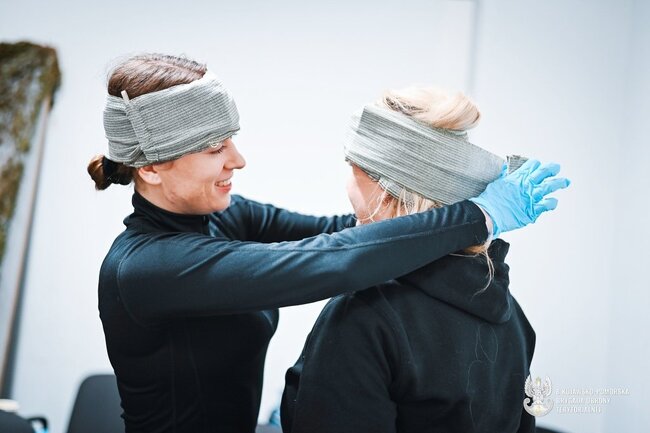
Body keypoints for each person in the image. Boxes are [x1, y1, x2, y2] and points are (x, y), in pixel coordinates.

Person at [89, 54, 568, 433]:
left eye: (231, 138)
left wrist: (455, 189)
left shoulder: (225, 218)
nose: (238, 159)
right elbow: (333, 261)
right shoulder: (146, 269)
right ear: (150, 168)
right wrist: (478, 215)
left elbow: (346, 233)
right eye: (215, 148)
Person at [281, 87, 566, 433]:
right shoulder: (511, 316)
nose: (347, 183)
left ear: (386, 191)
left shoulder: (364, 316)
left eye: (352, 166)